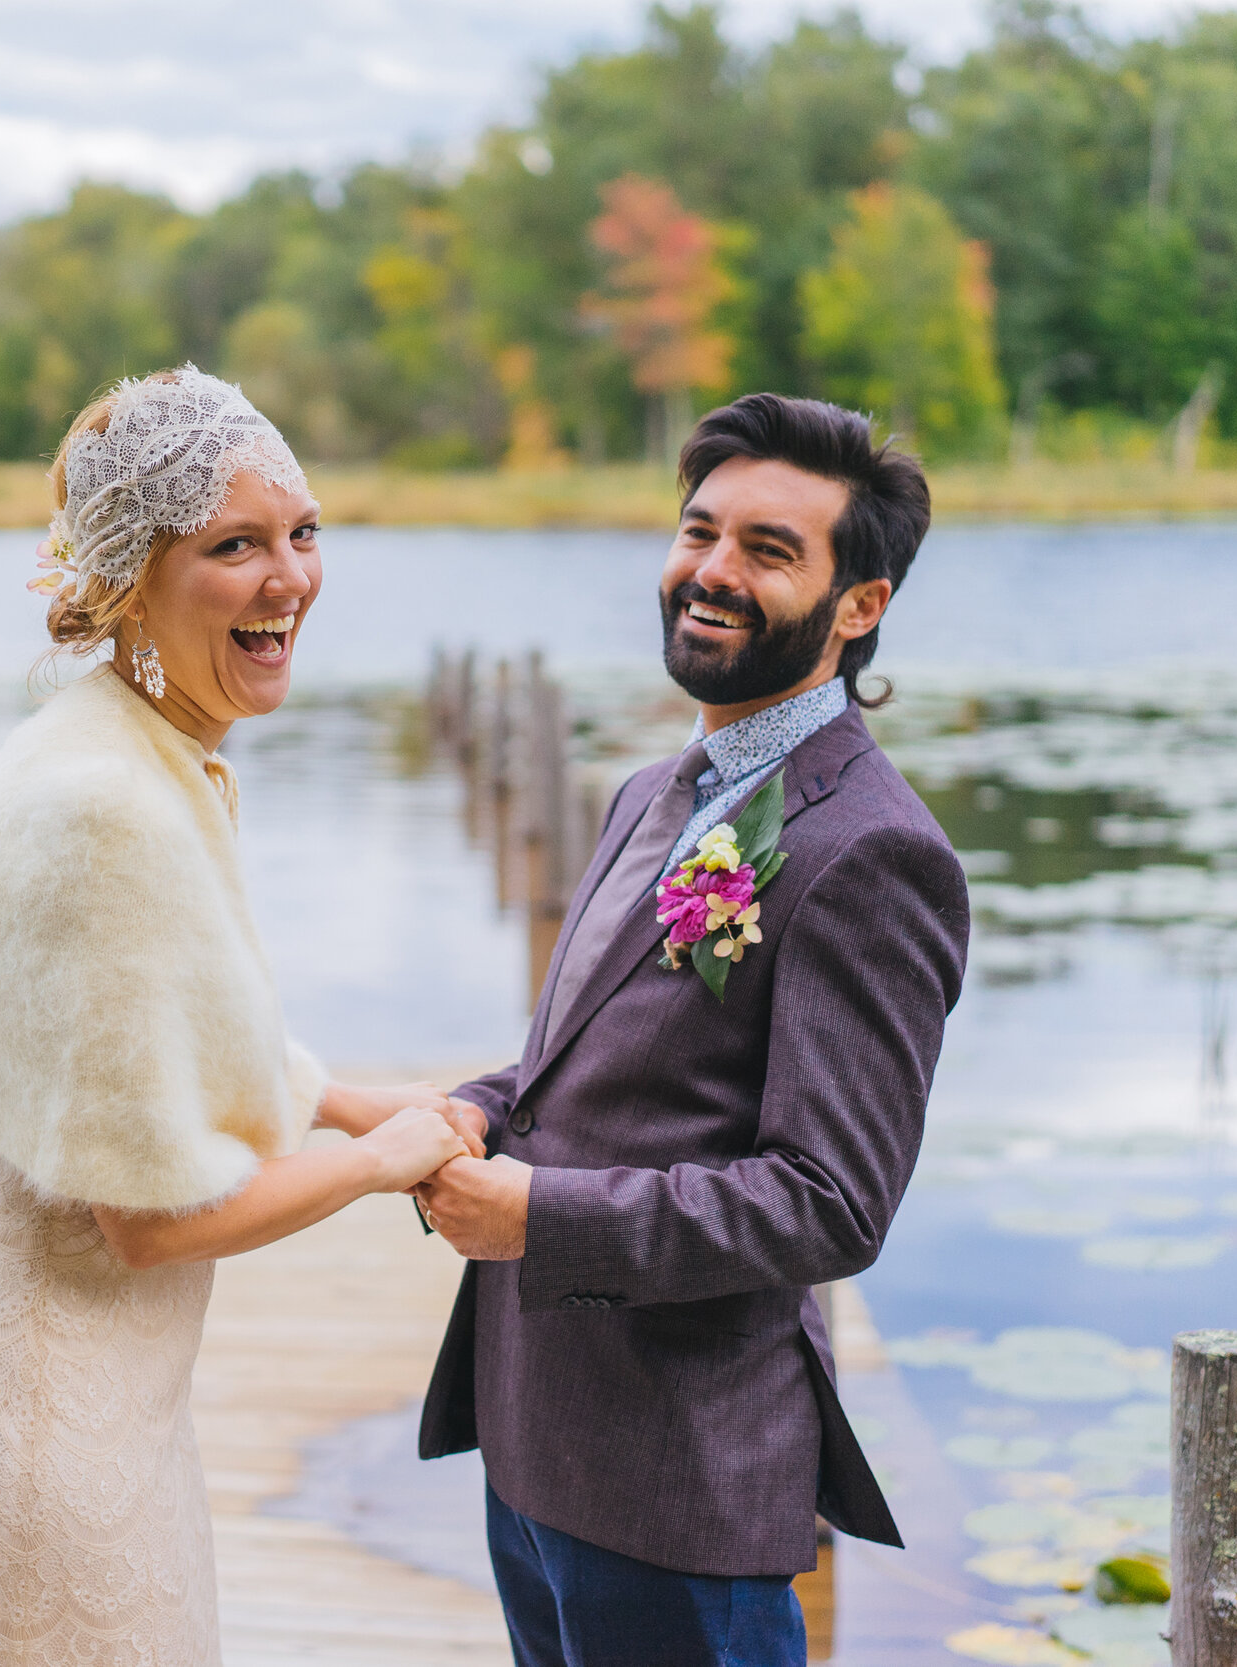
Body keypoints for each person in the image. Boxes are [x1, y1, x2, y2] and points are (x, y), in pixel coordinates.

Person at [0, 365, 477, 1667]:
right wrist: (373, 1160)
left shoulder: (119, 741)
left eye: (303, 530)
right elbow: (149, 1218)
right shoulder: (108, 805)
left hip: (39, 1396)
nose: (290, 578)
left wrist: (337, 1095)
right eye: (235, 545)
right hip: (42, 1438)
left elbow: (136, 1025)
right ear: (129, 578)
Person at [413, 393, 973, 1667]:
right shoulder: (652, 787)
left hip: (676, 1476)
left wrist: (536, 1214)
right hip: (534, 1427)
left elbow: (829, 1202)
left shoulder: (871, 852)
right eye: (698, 531)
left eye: (769, 549)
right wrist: (479, 1107)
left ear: (858, 605)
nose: (711, 571)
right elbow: (590, 1050)